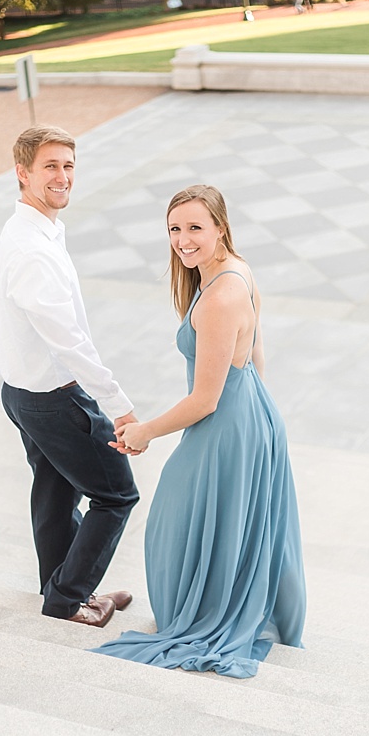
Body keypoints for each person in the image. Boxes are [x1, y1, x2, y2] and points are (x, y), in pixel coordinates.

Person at [92, 185, 306, 679]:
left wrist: (145, 431)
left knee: (173, 511)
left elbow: (205, 399)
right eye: (174, 229)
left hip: (226, 420)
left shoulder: (220, 297)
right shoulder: (237, 271)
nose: (183, 241)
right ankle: (216, 599)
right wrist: (259, 415)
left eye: (195, 228)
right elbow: (255, 355)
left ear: (220, 228)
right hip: (249, 412)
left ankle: (204, 613)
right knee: (222, 518)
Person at [0, 125, 140, 628]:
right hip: (53, 397)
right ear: (23, 173)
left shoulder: (32, 229)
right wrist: (118, 405)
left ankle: (61, 587)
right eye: (50, 166)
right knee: (117, 494)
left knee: (55, 493)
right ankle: (69, 598)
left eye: (69, 166)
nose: (62, 176)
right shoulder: (33, 249)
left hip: (21, 391)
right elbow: (68, 341)